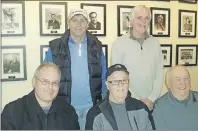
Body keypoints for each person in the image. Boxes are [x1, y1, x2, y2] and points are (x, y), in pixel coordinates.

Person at [44, 9, 107, 129]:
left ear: (87, 24)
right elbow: (46, 76)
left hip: (92, 107)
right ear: (69, 23)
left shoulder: (97, 46)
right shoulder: (55, 47)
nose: (78, 24)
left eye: (82, 21)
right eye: (75, 20)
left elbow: (103, 75)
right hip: (65, 107)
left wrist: (106, 102)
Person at [111, 5, 164, 111]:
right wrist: (135, 100)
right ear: (131, 20)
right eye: (139, 18)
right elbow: (117, 77)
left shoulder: (155, 43)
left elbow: (159, 75)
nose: (143, 21)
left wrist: (151, 99)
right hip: (128, 102)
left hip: (151, 104)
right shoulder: (119, 43)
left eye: (146, 18)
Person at [1, 63, 80, 130]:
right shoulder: (12, 112)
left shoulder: (69, 112)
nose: (50, 87)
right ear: (34, 82)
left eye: (55, 83)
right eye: (45, 81)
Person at [85, 64, 154, 130]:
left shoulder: (141, 109)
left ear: (129, 83)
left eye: (124, 80)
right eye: (115, 81)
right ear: (107, 85)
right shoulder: (96, 114)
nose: (120, 85)